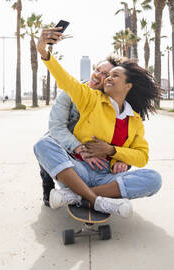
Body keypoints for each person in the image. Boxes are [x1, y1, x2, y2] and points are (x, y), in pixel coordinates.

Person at [33, 27, 162, 217]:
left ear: (128, 86)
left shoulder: (134, 120)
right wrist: (44, 52)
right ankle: (98, 201)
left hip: (108, 177)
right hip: (77, 170)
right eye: (102, 73)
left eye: (112, 75)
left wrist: (114, 152)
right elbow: (66, 81)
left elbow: (142, 156)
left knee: (154, 179)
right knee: (44, 143)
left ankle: (75, 196)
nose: (105, 77)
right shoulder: (90, 98)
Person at [38, 55, 125, 206]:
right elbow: (57, 127)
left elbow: (124, 133)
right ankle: (48, 183)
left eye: (105, 74)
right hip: (67, 143)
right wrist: (80, 149)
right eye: (98, 70)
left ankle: (92, 189)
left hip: (94, 150)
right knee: (45, 143)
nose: (98, 75)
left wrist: (121, 159)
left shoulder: (112, 101)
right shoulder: (69, 92)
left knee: (126, 158)